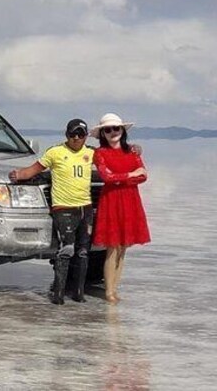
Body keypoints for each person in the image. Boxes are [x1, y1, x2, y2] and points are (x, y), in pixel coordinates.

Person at [9, 118, 94, 304]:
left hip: (85, 208)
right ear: (67, 135)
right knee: (66, 250)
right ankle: (58, 294)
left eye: (81, 134)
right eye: (73, 134)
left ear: (86, 136)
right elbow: (34, 169)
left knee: (83, 251)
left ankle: (79, 294)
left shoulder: (91, 152)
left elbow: (114, 158)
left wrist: (134, 149)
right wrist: (19, 175)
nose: (77, 138)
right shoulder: (56, 152)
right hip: (64, 208)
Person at [90, 113, 150, 304]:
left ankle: (115, 289)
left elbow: (144, 176)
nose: (113, 132)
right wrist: (131, 173)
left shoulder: (132, 151)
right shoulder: (100, 154)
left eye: (116, 128)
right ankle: (108, 291)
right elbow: (107, 177)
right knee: (112, 248)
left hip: (130, 201)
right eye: (108, 130)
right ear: (102, 134)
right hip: (112, 201)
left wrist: (124, 176)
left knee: (123, 248)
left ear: (122, 130)